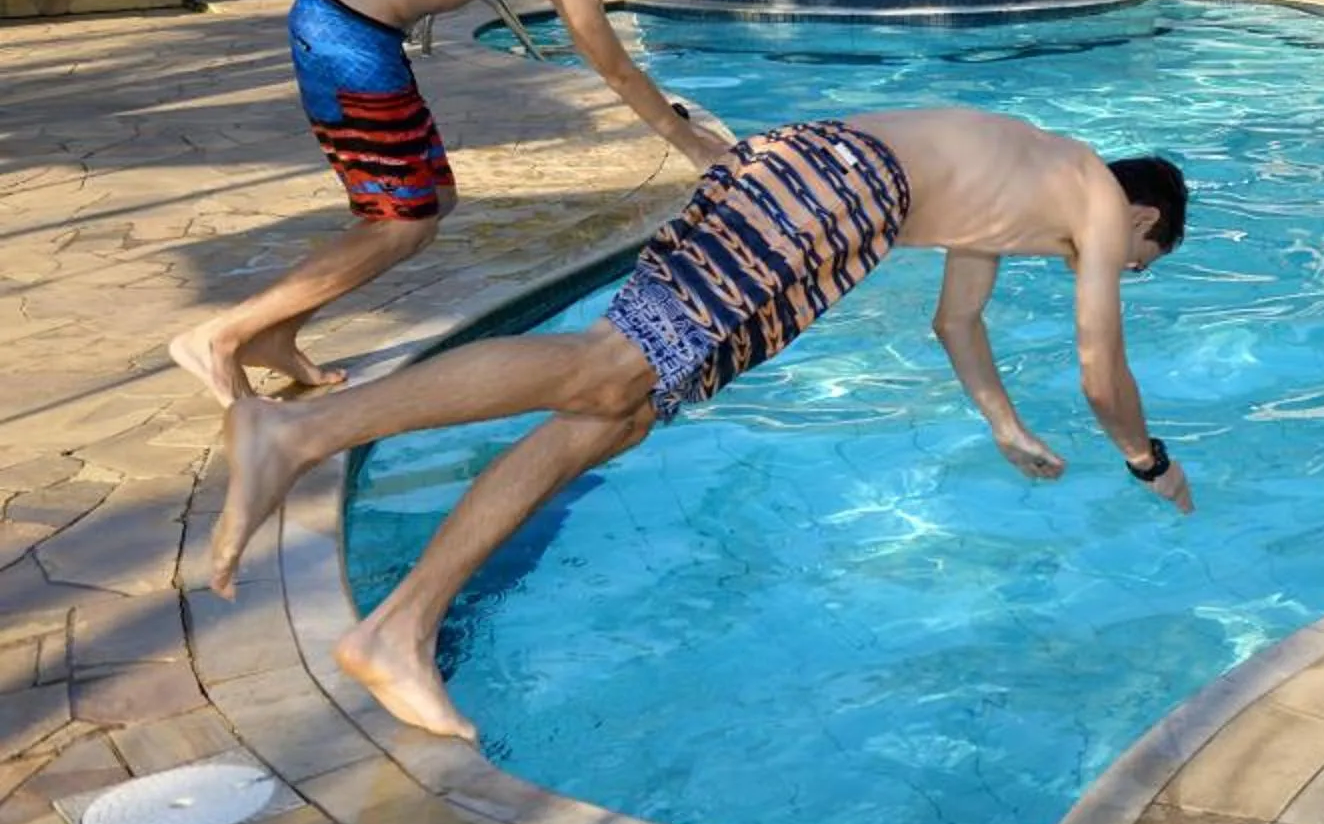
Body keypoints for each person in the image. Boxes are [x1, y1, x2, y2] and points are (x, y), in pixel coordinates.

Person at [204, 109, 1191, 741]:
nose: (1120, 267)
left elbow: (957, 320)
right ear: (1145, 217)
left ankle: (398, 627)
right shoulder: (1099, 195)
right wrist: (1147, 460)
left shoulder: (1023, 186)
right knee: (604, 366)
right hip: (836, 188)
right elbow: (1102, 365)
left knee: (616, 413)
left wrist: (1003, 423)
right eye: (1142, 259)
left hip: (824, 188)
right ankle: (298, 433)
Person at [170, 0, 729, 406]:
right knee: (402, 223)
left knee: (432, 199)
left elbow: (596, 49)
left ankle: (277, 332)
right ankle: (221, 337)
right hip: (346, 37)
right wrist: (689, 142)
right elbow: (612, 66)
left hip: (352, 27)